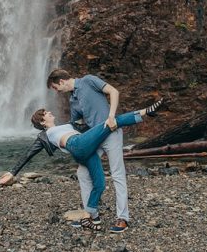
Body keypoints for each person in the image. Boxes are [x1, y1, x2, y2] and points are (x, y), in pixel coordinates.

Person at [29, 101, 159, 231]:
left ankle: (88, 217)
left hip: (85, 150)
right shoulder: (49, 133)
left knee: (100, 184)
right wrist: (13, 172)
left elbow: (83, 125)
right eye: (46, 114)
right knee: (113, 120)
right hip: (77, 144)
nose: (50, 112)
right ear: (42, 122)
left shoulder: (65, 126)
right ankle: (147, 111)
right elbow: (36, 148)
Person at [46, 69, 138, 233]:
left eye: (55, 88)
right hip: (94, 139)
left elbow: (113, 91)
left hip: (111, 131)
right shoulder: (73, 99)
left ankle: (123, 218)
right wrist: (51, 132)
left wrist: (111, 116)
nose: (57, 92)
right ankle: (90, 215)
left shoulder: (88, 80)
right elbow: (75, 126)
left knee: (117, 173)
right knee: (83, 172)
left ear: (61, 81)